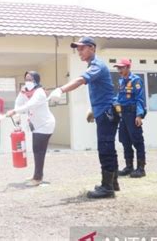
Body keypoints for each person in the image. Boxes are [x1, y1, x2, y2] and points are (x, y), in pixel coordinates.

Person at [49, 37, 119, 198]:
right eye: (77, 49)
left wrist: (60, 90)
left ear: (92, 48)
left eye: (82, 48)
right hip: (104, 111)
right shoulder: (94, 65)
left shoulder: (97, 65)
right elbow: (102, 91)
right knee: (109, 148)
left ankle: (107, 188)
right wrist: (93, 109)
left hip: (107, 112)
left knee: (105, 148)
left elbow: (81, 80)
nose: (79, 51)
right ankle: (112, 183)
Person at [6, 71, 56, 187]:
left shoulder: (39, 92)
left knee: (39, 151)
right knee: (36, 150)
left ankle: (38, 178)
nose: (28, 81)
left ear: (36, 80)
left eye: (30, 79)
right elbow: (18, 102)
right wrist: (16, 112)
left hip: (45, 124)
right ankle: (36, 175)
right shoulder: (25, 91)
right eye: (26, 79)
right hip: (36, 126)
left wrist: (14, 111)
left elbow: (30, 105)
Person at [113, 58, 147, 178]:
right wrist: (114, 103)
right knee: (125, 141)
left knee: (137, 141)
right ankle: (129, 167)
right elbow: (119, 97)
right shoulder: (121, 80)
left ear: (128, 67)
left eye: (121, 68)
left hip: (133, 114)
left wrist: (139, 115)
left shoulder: (136, 80)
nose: (119, 70)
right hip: (123, 114)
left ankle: (141, 168)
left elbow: (139, 99)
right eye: (118, 68)